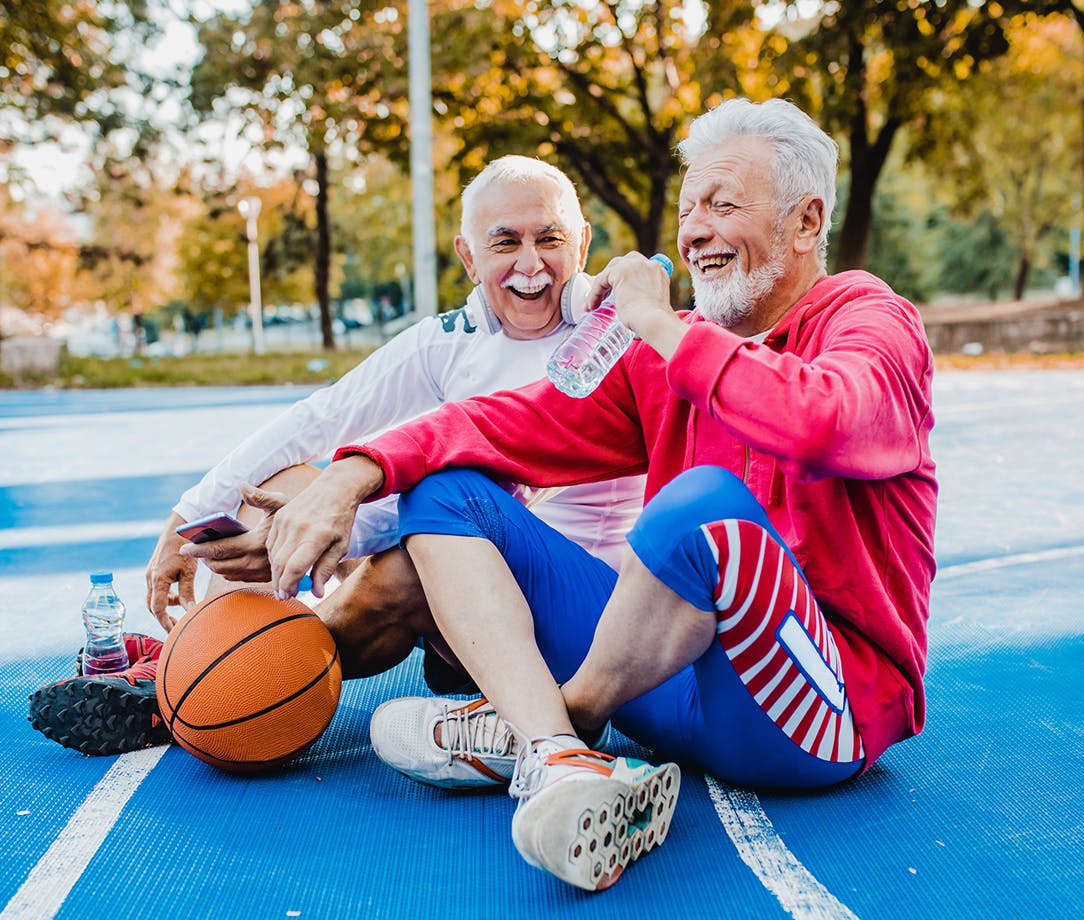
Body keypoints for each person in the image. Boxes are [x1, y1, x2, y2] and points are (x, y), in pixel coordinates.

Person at [262, 97, 938, 892]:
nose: (695, 232)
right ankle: (559, 758)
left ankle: (566, 719)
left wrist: (658, 323)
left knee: (699, 506)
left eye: (723, 205)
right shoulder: (662, 356)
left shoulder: (871, 321)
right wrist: (356, 473)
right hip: (666, 694)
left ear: (805, 221)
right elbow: (501, 424)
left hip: (816, 714)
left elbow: (823, 422)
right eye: (688, 210)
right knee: (447, 491)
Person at [27, 155, 647, 757]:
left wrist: (329, 527)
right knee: (276, 490)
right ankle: (199, 662)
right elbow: (319, 417)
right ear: (468, 256)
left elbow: (489, 502)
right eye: (506, 242)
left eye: (550, 239)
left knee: (398, 562)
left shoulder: (616, 339)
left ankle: (201, 683)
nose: (531, 264)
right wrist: (185, 516)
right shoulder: (452, 340)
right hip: (464, 584)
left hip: (569, 607)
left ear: (583, 245)